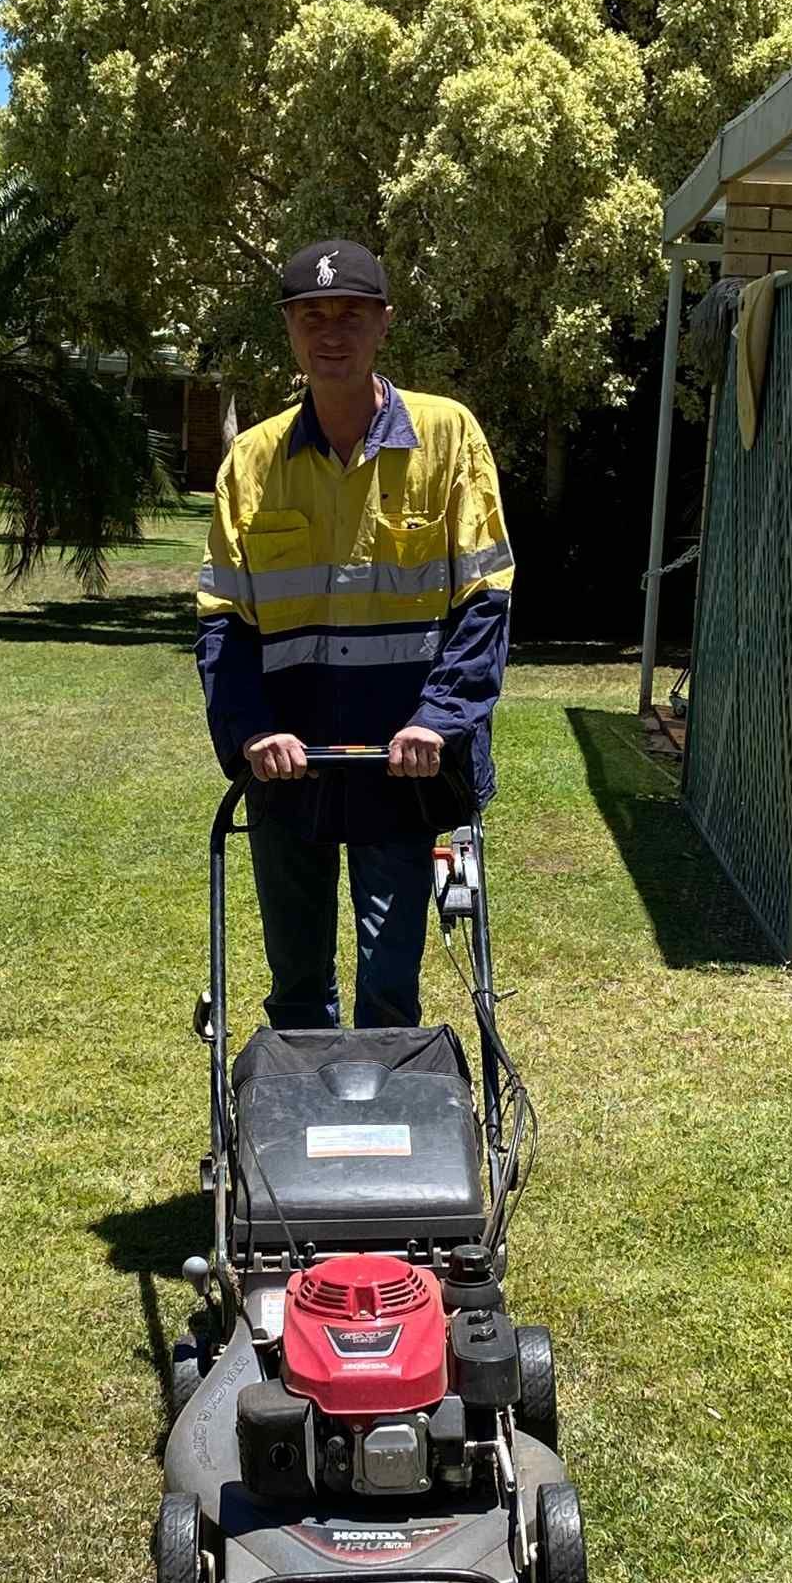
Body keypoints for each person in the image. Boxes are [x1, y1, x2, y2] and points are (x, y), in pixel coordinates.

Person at [195, 238, 514, 1030]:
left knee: (388, 980)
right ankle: (298, 1138)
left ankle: (387, 1138)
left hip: (402, 765)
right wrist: (251, 734)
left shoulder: (447, 436)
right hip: (288, 769)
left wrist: (437, 722)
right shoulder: (253, 461)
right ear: (290, 330)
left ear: (383, 325)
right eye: (311, 316)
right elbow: (224, 622)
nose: (330, 332)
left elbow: (485, 598)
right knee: (296, 984)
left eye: (350, 314)